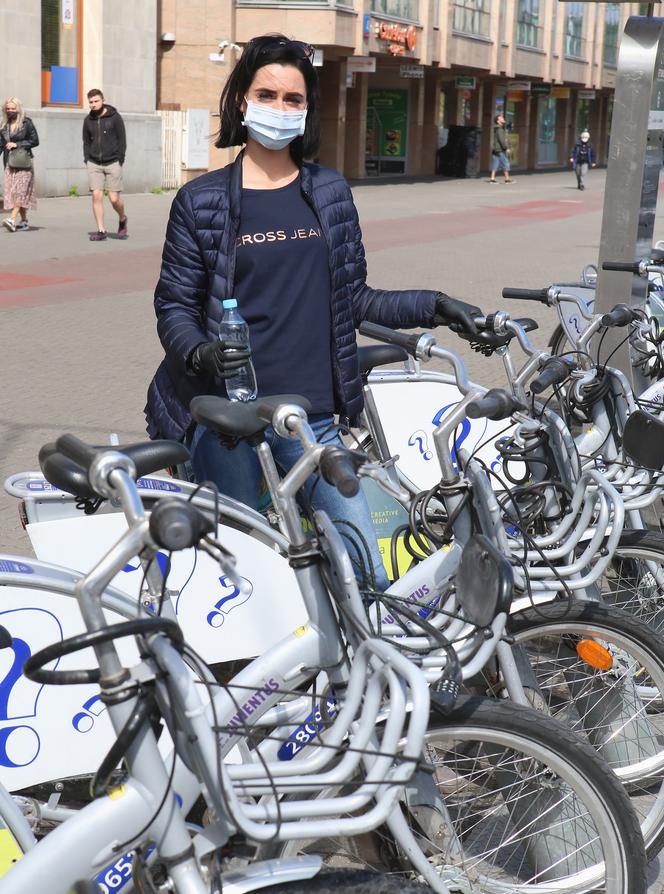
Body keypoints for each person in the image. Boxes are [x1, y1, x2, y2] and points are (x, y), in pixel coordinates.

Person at [145, 34, 483, 592]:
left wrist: (437, 305)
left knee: (367, 578)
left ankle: (349, 678)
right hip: (232, 423)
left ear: (307, 110)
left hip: (313, 419)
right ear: (241, 102)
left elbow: (355, 300)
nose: (279, 109)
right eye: (267, 95)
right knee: (242, 584)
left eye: (293, 99)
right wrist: (200, 350)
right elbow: (174, 306)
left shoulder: (328, 192)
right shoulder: (201, 201)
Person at [82, 88, 128, 241]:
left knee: (114, 198)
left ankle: (122, 218)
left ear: (103, 100)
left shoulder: (115, 118)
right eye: (91, 102)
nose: (93, 104)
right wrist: (87, 158)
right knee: (96, 195)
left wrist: (120, 159)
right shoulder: (88, 120)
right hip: (94, 163)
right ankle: (101, 230)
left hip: (113, 162)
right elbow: (86, 142)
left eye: (96, 101)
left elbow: (122, 140)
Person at [0, 98, 39, 232]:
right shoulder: (4, 125)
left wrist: (17, 144)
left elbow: (35, 141)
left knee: (19, 192)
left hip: (23, 163)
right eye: (8, 109)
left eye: (13, 108)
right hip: (9, 163)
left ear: (18, 109)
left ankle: (11, 219)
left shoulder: (26, 123)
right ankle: (24, 222)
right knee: (13, 192)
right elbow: (1, 145)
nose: (10, 111)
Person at [489, 115, 513, 184]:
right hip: (499, 149)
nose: (503, 118)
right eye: (501, 118)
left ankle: (492, 179)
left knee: (495, 164)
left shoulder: (496, 129)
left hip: (495, 149)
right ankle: (507, 179)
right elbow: (501, 140)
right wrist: (506, 148)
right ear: (498, 121)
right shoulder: (499, 129)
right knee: (505, 163)